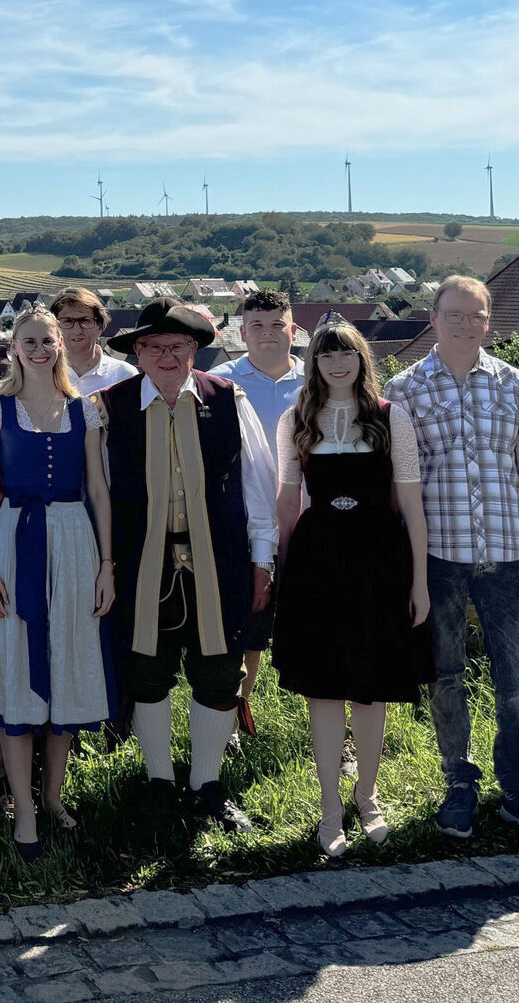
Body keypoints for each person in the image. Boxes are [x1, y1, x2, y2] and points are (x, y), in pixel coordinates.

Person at [386, 275, 519, 851]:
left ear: (489, 321)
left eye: (477, 315)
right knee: (446, 675)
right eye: (455, 314)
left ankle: (518, 790)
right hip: (438, 555)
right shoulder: (404, 389)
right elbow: (400, 483)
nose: (467, 324)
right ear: (433, 318)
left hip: (508, 554)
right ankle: (459, 781)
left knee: (517, 681)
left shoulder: (517, 383)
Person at [102, 296, 278, 838]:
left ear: (194, 350)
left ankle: (207, 783)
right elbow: (97, 492)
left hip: (219, 559)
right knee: (147, 671)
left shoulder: (228, 399)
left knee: (219, 670)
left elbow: (259, 485)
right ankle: (159, 781)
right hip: (140, 562)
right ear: (137, 353)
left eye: (177, 345)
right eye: (154, 346)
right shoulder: (106, 408)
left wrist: (263, 557)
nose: (167, 356)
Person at [271, 322, 430, 858]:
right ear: (314, 363)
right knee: (324, 688)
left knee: (370, 686)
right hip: (317, 563)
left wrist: (419, 580)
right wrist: (282, 569)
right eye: (326, 355)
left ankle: (368, 797)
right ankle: (329, 808)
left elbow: (411, 505)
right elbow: (287, 501)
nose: (337, 363)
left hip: (378, 561)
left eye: (346, 353)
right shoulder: (295, 419)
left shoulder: (390, 417)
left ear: (362, 359)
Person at [0, 308, 115, 860]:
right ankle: (24, 808)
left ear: (59, 345)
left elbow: (98, 489)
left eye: (47, 341)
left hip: (76, 539)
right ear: (13, 346)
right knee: (16, 659)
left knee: (67, 661)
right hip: (14, 538)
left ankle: (53, 797)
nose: (38, 350)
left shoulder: (84, 409)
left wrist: (106, 565)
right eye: (28, 341)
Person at [209, 289, 304, 735]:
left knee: (313, 626)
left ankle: (326, 719)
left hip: (306, 523)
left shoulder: (318, 381)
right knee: (247, 625)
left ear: (293, 330)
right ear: (242, 333)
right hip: (244, 525)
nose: (268, 334)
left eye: (277, 325)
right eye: (257, 326)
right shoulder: (220, 382)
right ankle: (235, 718)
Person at [51, 288, 136, 396]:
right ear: (55, 328)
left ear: (100, 327)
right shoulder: (42, 374)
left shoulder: (124, 375)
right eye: (67, 321)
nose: (77, 330)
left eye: (85, 320)